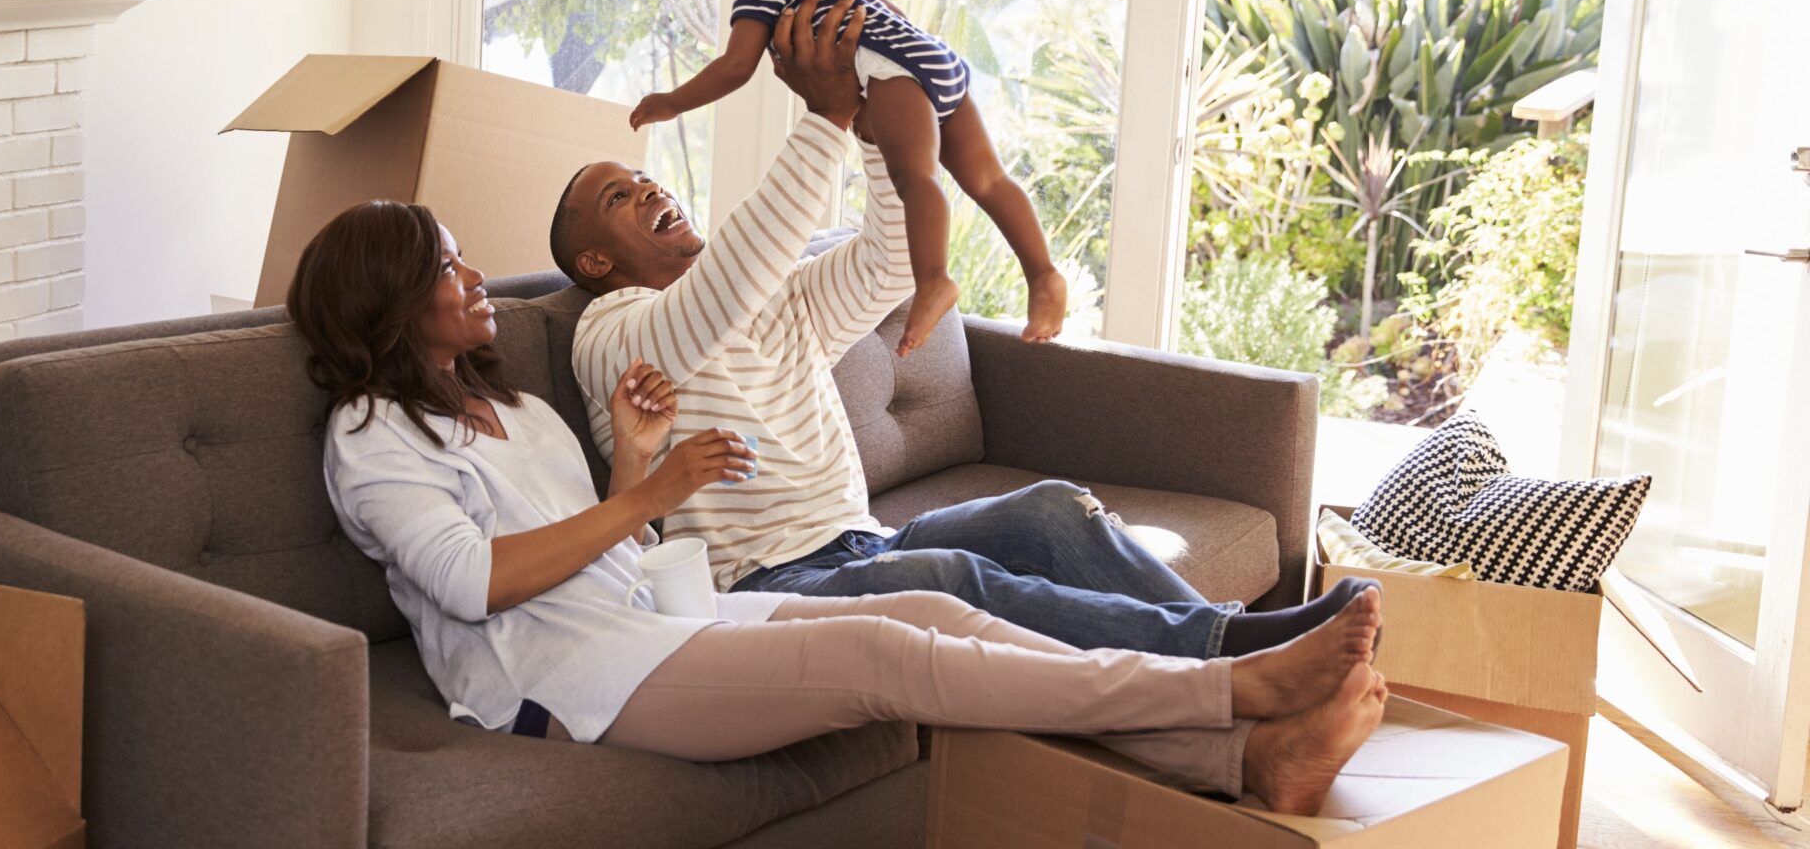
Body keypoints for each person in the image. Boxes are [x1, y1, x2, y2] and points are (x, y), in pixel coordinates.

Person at [289, 198, 1388, 812]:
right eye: (446, 263)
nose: (474, 275)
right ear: (388, 301)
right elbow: (478, 583)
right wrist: (654, 493)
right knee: (880, 656)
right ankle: (1223, 687)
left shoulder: (513, 409)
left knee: (938, 619)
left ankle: (1242, 760)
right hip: (561, 681)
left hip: (643, 625)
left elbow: (606, 555)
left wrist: (631, 465)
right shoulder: (372, 437)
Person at [559, 0, 1380, 660]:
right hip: (764, 586)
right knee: (952, 578)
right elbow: (713, 305)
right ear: (595, 260)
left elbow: (887, 264)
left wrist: (878, 137)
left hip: (859, 541)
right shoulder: (612, 331)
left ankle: (1244, 642)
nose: (652, 191)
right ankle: (1233, 657)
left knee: (1052, 508)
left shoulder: (774, 294)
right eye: (619, 198)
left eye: (647, 178)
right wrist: (824, 116)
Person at [628, 0, 1064, 353]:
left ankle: (934, 280)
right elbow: (892, 15)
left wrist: (672, 102)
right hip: (932, 54)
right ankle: (1042, 275)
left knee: (916, 175)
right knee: (990, 179)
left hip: (891, 71)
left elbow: (737, 66)